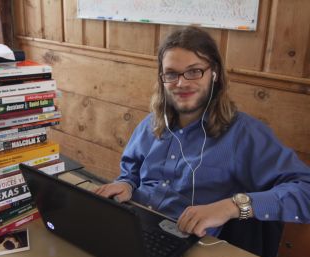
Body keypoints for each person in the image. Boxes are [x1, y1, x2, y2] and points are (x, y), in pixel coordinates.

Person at [95, 26, 310, 239]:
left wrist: (231, 206)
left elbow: (305, 190)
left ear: (214, 73)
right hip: (134, 226)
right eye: (171, 74)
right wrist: (126, 184)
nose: (181, 83)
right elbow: (131, 172)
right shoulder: (152, 123)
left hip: (192, 245)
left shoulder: (244, 134)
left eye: (194, 71)